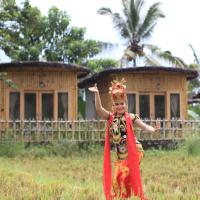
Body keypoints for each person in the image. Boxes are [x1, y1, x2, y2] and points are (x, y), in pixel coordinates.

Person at [89, 79, 160, 200]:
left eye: (122, 103)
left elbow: (143, 126)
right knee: (116, 179)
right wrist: (96, 93)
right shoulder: (110, 117)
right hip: (120, 155)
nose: (119, 106)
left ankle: (128, 196)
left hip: (135, 152)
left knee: (124, 174)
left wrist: (153, 129)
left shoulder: (131, 117)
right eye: (116, 104)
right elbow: (99, 109)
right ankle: (125, 197)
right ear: (113, 106)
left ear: (126, 104)